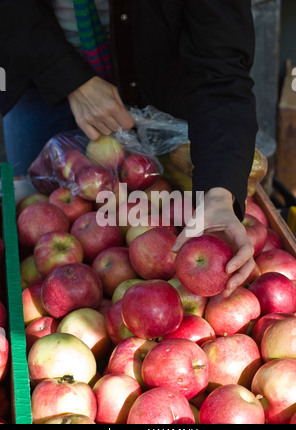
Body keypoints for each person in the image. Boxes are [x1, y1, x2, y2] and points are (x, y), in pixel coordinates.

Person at [0, 0, 258, 295]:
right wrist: (68, 78)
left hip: (155, 85)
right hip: (37, 67)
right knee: (32, 209)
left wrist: (220, 194)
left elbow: (222, 71)